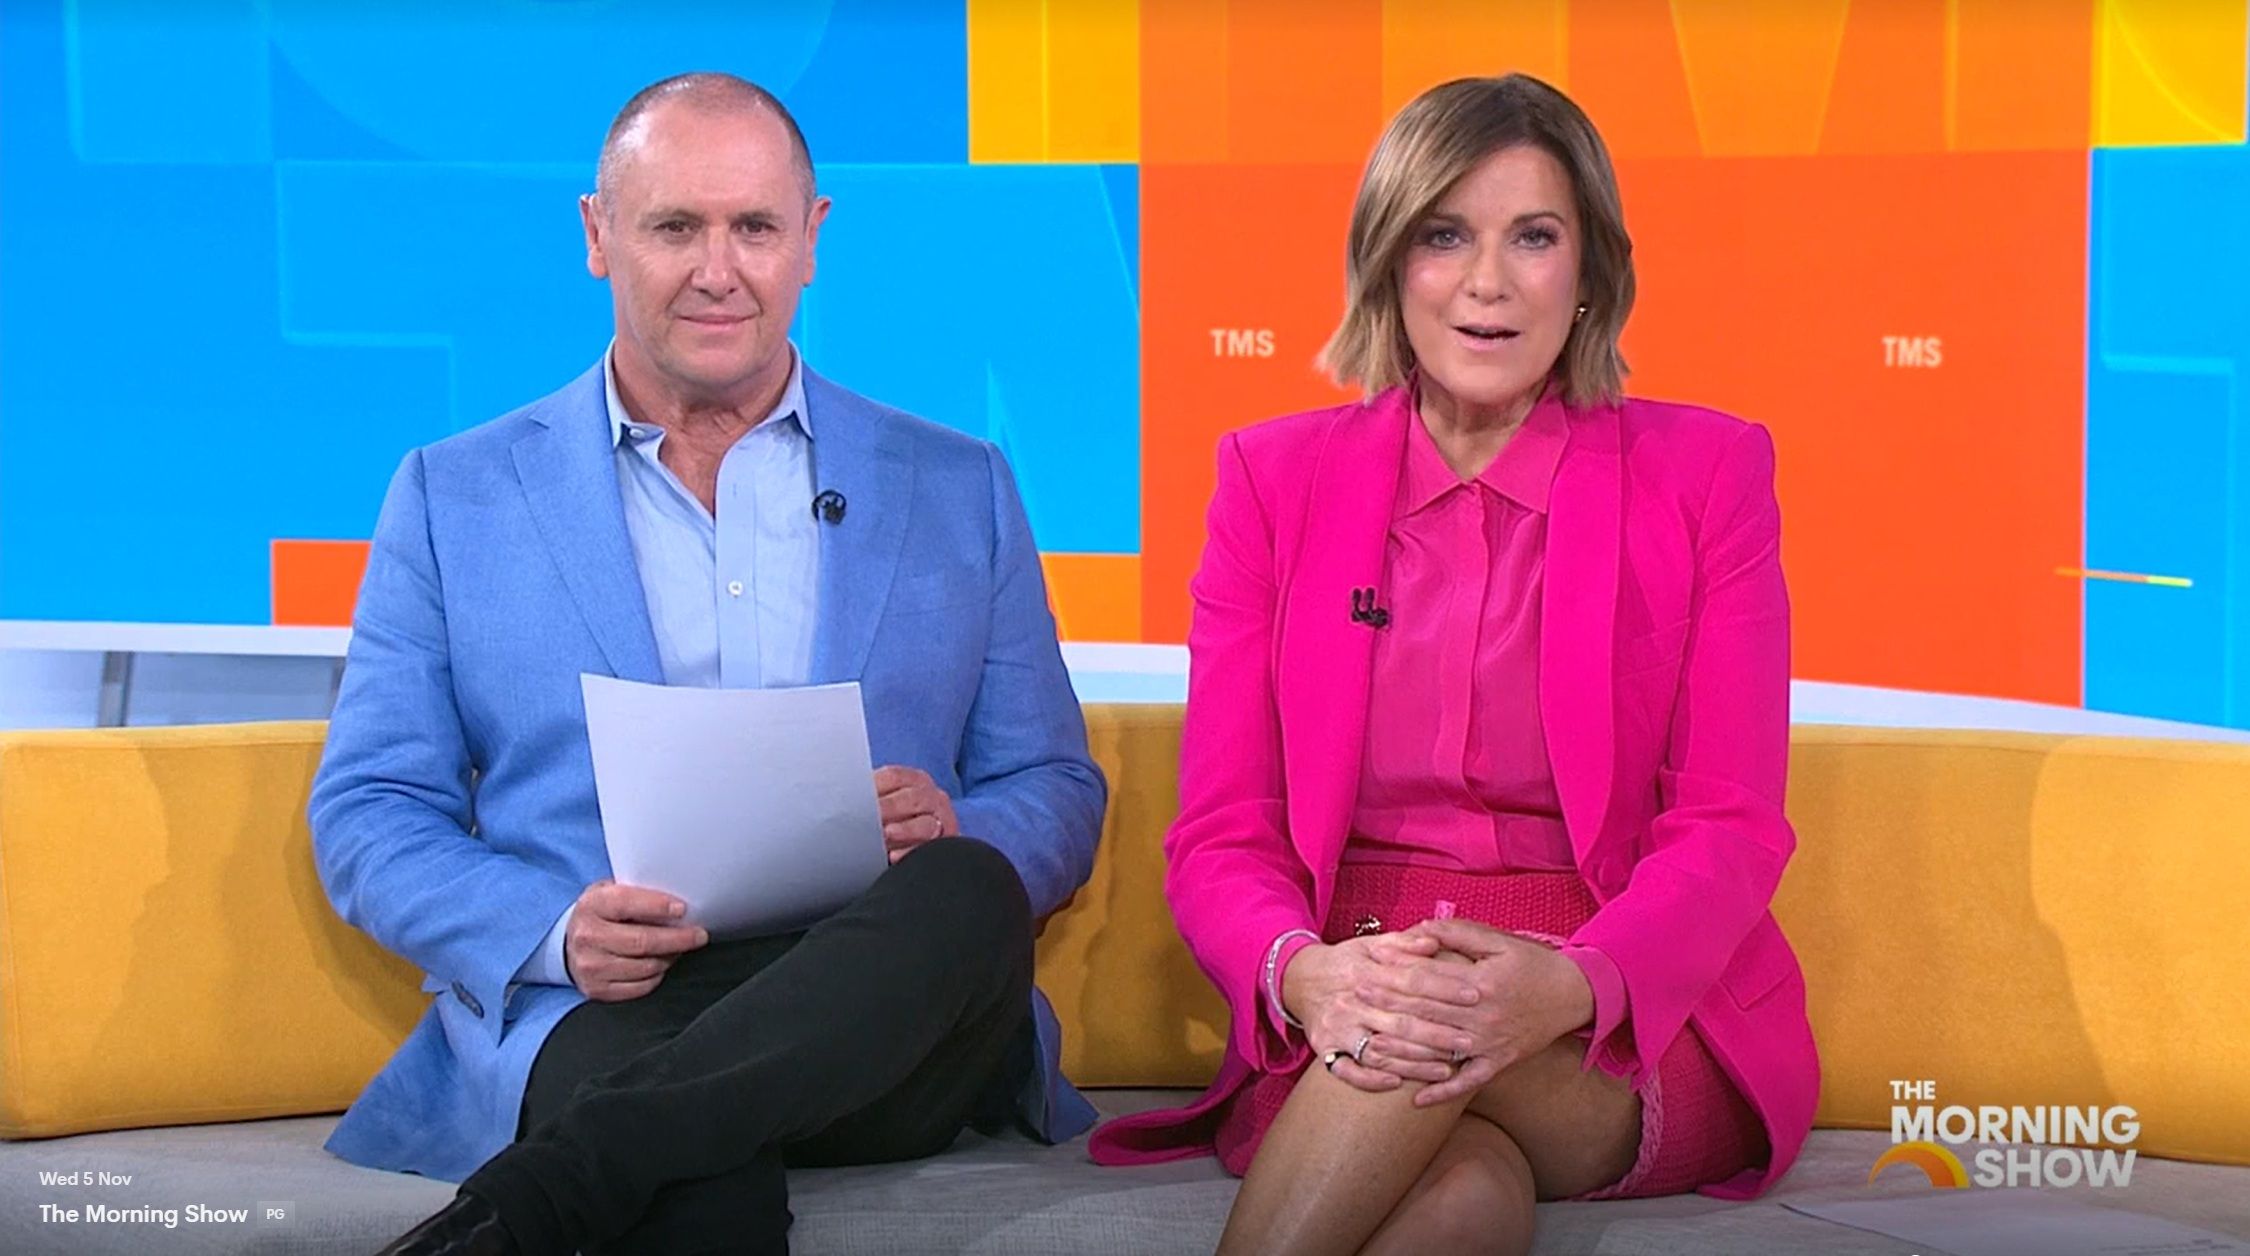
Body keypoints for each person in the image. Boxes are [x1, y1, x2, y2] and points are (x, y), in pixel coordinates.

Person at [311, 72, 1106, 1256]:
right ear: (598, 235)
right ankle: (599, 1163)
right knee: (693, 1160)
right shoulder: (454, 494)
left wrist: (954, 825)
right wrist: (553, 929)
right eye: (675, 226)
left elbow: (1054, 785)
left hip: (884, 1007)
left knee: (968, 885)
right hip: (615, 1006)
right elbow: (371, 807)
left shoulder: (958, 484)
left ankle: (538, 1196)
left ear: (811, 241)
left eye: (755, 227)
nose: (717, 270)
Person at [1089, 73, 1819, 1254]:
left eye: (1533, 236)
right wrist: (1308, 976)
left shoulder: (1707, 476)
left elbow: (1729, 826)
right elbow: (1224, 831)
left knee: (1412, 1032)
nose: (1488, 281)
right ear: (1390, 264)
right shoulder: (1272, 484)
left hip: (1618, 1008)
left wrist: (1569, 982)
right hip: (1351, 990)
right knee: (1464, 1186)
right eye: (1444, 236)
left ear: (1589, 272)